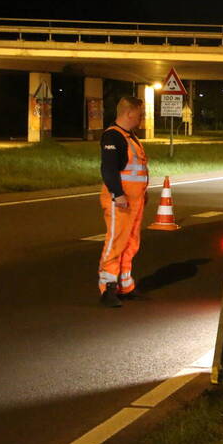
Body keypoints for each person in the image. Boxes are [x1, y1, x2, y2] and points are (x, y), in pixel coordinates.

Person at [97, 96, 149, 307]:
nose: (142, 117)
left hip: (134, 199)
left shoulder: (130, 137)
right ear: (129, 113)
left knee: (131, 243)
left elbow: (138, 168)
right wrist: (118, 194)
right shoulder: (113, 136)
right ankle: (107, 288)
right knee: (116, 242)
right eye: (140, 113)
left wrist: (143, 192)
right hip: (120, 199)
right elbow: (108, 169)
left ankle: (125, 285)